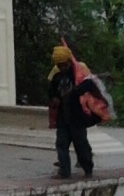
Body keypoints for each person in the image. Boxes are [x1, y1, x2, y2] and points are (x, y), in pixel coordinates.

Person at [47, 42, 111, 178]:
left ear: (69, 62)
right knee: (61, 144)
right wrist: (54, 99)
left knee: (80, 144)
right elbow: (51, 93)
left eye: (63, 64)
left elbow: (89, 85)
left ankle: (88, 168)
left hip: (77, 116)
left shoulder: (79, 74)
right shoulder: (57, 77)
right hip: (63, 116)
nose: (61, 68)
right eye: (59, 65)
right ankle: (64, 171)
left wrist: (72, 92)